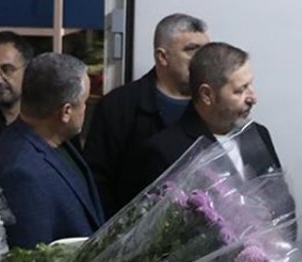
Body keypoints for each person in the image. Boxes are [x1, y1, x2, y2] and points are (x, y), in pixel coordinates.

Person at [83, 13, 208, 214]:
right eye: (192, 50)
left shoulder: (212, 105)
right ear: (162, 57)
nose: (202, 60)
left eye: (205, 51)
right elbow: (96, 181)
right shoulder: (118, 106)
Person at [126, 42, 281, 200]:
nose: (253, 98)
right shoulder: (165, 152)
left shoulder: (257, 134)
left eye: (250, 85)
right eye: (240, 90)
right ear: (207, 94)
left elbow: (281, 199)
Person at [0, 52, 103, 249]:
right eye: (84, 102)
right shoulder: (22, 173)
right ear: (66, 112)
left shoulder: (57, 138)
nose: (86, 109)